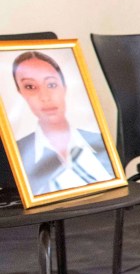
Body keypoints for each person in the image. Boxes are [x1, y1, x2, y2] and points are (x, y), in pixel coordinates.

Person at [12, 51, 113, 195]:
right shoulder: (18, 153)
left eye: (51, 84)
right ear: (21, 93)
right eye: (30, 87)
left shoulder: (97, 140)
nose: (45, 97)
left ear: (64, 87)